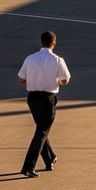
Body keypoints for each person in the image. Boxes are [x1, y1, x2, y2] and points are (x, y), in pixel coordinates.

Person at [16, 30, 71, 178]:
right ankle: (29, 166)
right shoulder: (58, 60)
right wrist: (54, 80)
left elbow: (21, 79)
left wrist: (35, 80)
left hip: (32, 99)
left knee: (41, 130)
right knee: (41, 133)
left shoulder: (30, 58)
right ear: (54, 44)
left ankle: (49, 158)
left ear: (41, 43)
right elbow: (65, 80)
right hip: (47, 99)